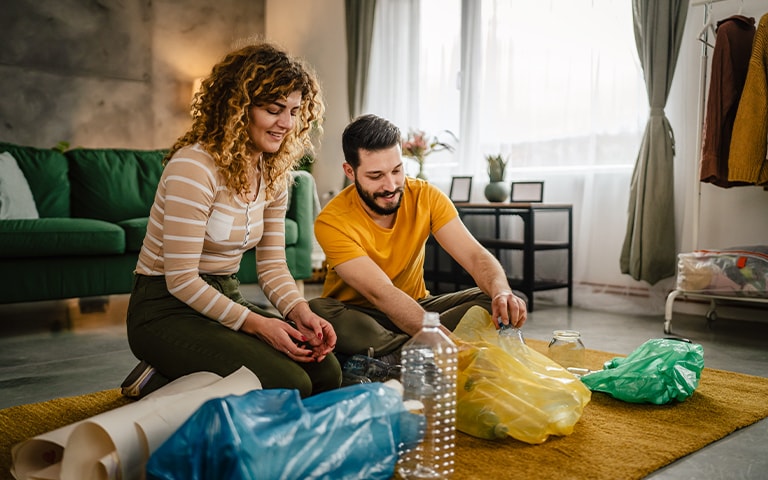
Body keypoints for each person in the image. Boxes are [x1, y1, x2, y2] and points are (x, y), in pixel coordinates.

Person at [121, 41, 341, 399]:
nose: (286, 123)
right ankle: (164, 375)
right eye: (274, 110)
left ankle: (184, 373)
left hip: (225, 295)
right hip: (163, 308)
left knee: (325, 372)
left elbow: (271, 267)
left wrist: (300, 312)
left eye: (295, 111)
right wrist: (258, 326)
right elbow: (181, 281)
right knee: (290, 384)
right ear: (238, 109)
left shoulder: (274, 174)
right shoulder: (194, 166)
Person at [309, 113, 527, 366]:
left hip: (417, 307)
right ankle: (417, 350)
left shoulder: (426, 196)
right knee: (319, 311)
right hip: (361, 315)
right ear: (350, 171)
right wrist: (448, 344)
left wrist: (502, 293)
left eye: (397, 170)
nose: (391, 185)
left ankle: (392, 356)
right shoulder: (332, 221)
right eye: (376, 176)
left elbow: (475, 256)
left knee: (495, 298)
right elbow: (381, 293)